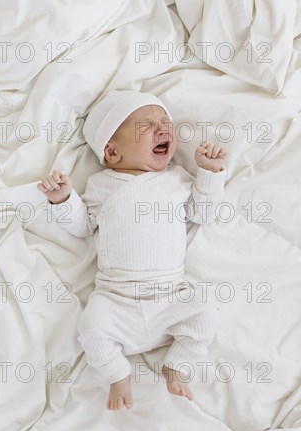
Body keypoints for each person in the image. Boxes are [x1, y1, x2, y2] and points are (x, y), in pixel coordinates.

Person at [37, 90, 227, 411]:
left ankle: (177, 364)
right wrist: (64, 200)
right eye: (146, 126)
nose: (163, 129)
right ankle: (116, 374)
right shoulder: (101, 185)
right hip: (117, 299)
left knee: (204, 310)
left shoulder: (176, 178)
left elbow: (202, 213)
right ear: (112, 152)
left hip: (170, 295)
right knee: (92, 327)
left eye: (165, 122)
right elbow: (83, 225)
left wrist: (209, 173)